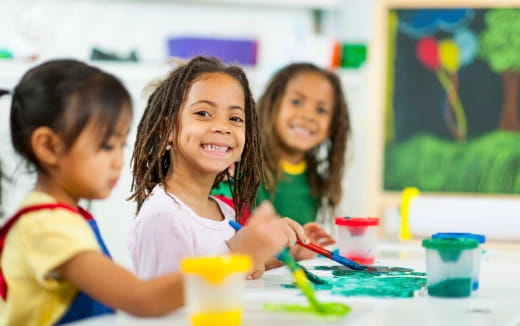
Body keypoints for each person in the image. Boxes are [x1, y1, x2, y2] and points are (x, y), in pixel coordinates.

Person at [0, 59, 296, 326]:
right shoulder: (46, 227)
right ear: (49, 147)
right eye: (105, 146)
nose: (118, 160)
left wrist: (274, 254)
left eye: (120, 145)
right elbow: (144, 299)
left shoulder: (64, 219)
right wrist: (239, 257)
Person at [127, 56, 309, 281]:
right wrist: (240, 256)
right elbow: (167, 305)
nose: (223, 127)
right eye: (203, 113)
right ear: (168, 130)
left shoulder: (224, 211)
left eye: (235, 118)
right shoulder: (164, 218)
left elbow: (230, 275)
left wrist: (273, 255)